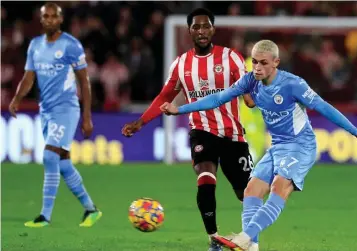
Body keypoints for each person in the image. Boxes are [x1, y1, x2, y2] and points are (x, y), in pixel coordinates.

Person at [160, 40, 357, 251]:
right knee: (251, 189)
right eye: (254, 62)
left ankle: (245, 237)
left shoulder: (293, 84)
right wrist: (180, 109)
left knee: (279, 187)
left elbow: (324, 108)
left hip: (301, 146)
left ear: (276, 63)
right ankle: (251, 246)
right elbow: (218, 98)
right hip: (278, 146)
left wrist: (356, 132)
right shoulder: (250, 81)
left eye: (263, 63)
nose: (258, 68)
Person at [122, 8, 256, 251]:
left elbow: (247, 87)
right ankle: (214, 238)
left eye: (206, 26)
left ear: (213, 29)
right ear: (190, 31)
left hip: (232, 134)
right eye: (197, 27)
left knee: (245, 193)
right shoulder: (181, 64)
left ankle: (251, 238)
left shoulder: (231, 57)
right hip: (201, 130)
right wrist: (141, 122)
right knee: (206, 178)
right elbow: (165, 96)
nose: (202, 31)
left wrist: (250, 96)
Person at [9, 3, 102, 228]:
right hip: (46, 111)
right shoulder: (35, 46)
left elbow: (84, 81)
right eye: (46, 17)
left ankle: (45, 216)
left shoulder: (71, 45)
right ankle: (91, 209)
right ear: (41, 20)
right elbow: (29, 77)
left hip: (66, 108)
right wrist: (17, 99)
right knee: (62, 163)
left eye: (54, 16)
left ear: (60, 20)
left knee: (50, 156)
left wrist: (87, 116)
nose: (50, 20)